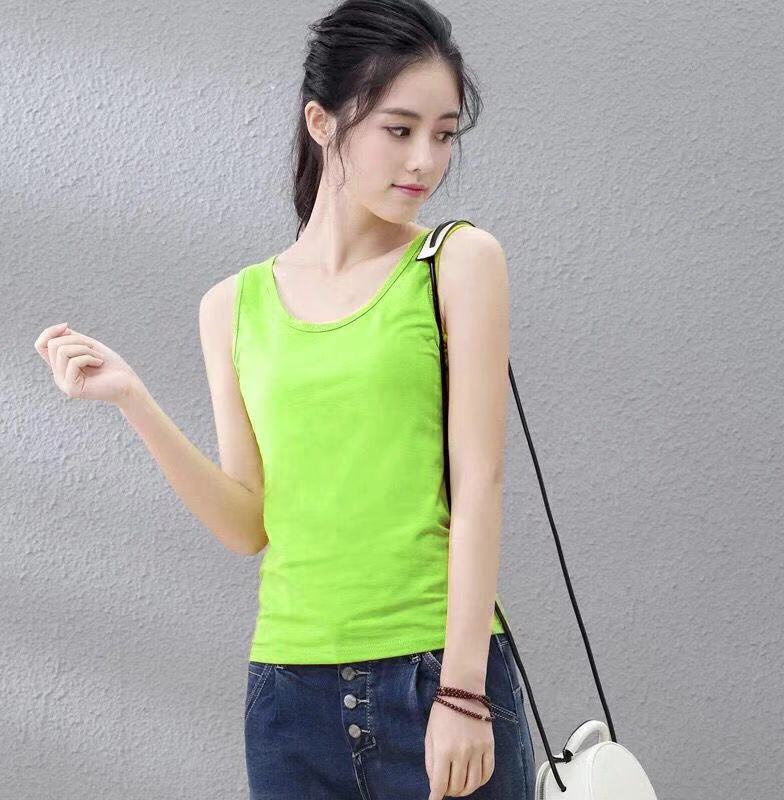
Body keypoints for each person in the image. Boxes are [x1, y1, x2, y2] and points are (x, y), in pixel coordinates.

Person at [33, 0, 536, 797]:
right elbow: (247, 524)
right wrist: (132, 400)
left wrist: (464, 693)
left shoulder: (458, 262)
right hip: (288, 694)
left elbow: (482, 484)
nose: (425, 161)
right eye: (399, 129)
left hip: (436, 676)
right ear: (321, 122)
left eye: (444, 135)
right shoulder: (231, 306)